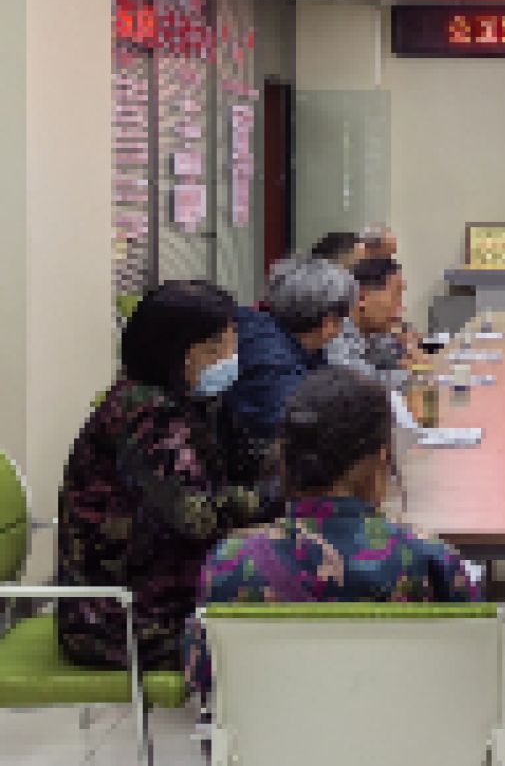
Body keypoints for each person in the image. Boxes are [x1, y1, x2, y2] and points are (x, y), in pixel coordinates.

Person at [185, 367, 481, 693]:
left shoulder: (230, 563)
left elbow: (202, 678)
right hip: (402, 738)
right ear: (381, 459)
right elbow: (469, 674)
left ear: (284, 459)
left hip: (275, 742)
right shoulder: (430, 560)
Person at [57, 281, 275, 671]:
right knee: (279, 624)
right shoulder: (146, 415)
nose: (232, 357)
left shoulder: (183, 401)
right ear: (184, 355)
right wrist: (275, 496)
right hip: (118, 619)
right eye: (220, 347)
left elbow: (237, 467)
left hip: (150, 595)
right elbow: (198, 515)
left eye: (232, 342)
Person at [225, 257, 357, 449]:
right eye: (342, 319)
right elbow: (300, 435)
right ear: (329, 322)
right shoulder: (272, 362)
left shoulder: (271, 329)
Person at [326, 257, 411, 389]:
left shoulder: (371, 331)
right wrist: (413, 374)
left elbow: (392, 361)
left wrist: (407, 350)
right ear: (361, 298)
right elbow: (365, 386)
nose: (402, 307)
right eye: (396, 294)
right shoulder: (335, 334)